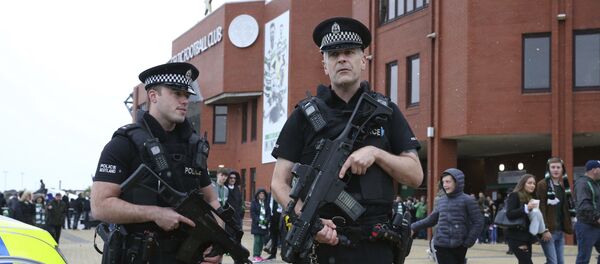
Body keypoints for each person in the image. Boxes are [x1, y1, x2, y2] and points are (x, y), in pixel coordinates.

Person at [270, 17, 423, 263]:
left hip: (375, 246)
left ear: (363, 60)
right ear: (325, 65)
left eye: (349, 52)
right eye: (333, 54)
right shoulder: (304, 116)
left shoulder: (386, 112)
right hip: (321, 244)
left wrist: (377, 153)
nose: (341, 58)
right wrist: (311, 223)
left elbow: (415, 175)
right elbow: (279, 182)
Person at [91, 62, 222, 264]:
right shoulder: (123, 144)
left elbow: (212, 201)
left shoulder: (193, 147)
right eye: (176, 93)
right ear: (153, 96)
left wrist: (217, 241)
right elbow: (100, 206)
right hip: (138, 256)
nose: (184, 101)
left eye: (187, 95)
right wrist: (155, 214)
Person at [411, 168, 483, 264]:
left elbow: (478, 222)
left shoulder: (468, 200)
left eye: (448, 182)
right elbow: (431, 219)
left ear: (457, 182)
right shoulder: (441, 200)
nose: (445, 185)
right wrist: (413, 227)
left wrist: (469, 241)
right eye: (443, 182)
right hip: (440, 244)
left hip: (460, 246)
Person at [536, 157, 574, 264]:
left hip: (560, 230)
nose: (556, 170)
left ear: (562, 170)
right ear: (548, 169)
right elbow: (541, 208)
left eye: (558, 167)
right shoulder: (542, 184)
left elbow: (566, 208)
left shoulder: (563, 186)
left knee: (560, 262)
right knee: (553, 262)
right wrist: (544, 230)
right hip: (548, 231)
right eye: (553, 167)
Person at [505, 174, 541, 264]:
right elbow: (509, 214)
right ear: (523, 183)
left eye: (534, 183)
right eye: (529, 183)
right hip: (516, 236)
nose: (532, 185)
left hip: (527, 237)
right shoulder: (514, 195)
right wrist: (526, 208)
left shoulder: (533, 198)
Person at [574, 160, 600, 264]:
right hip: (586, 226)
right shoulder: (582, 183)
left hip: (596, 225)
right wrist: (597, 217)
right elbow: (584, 205)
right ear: (595, 170)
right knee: (583, 258)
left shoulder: (596, 184)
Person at [250, 189, 270, 262]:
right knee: (257, 240)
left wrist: (266, 220)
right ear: (258, 195)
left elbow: (268, 214)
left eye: (263, 194)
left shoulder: (266, 203)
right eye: (260, 193)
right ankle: (255, 255)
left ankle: (259, 255)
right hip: (257, 225)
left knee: (262, 241)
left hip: (264, 226)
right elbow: (253, 214)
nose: (262, 195)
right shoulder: (254, 203)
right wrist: (259, 220)